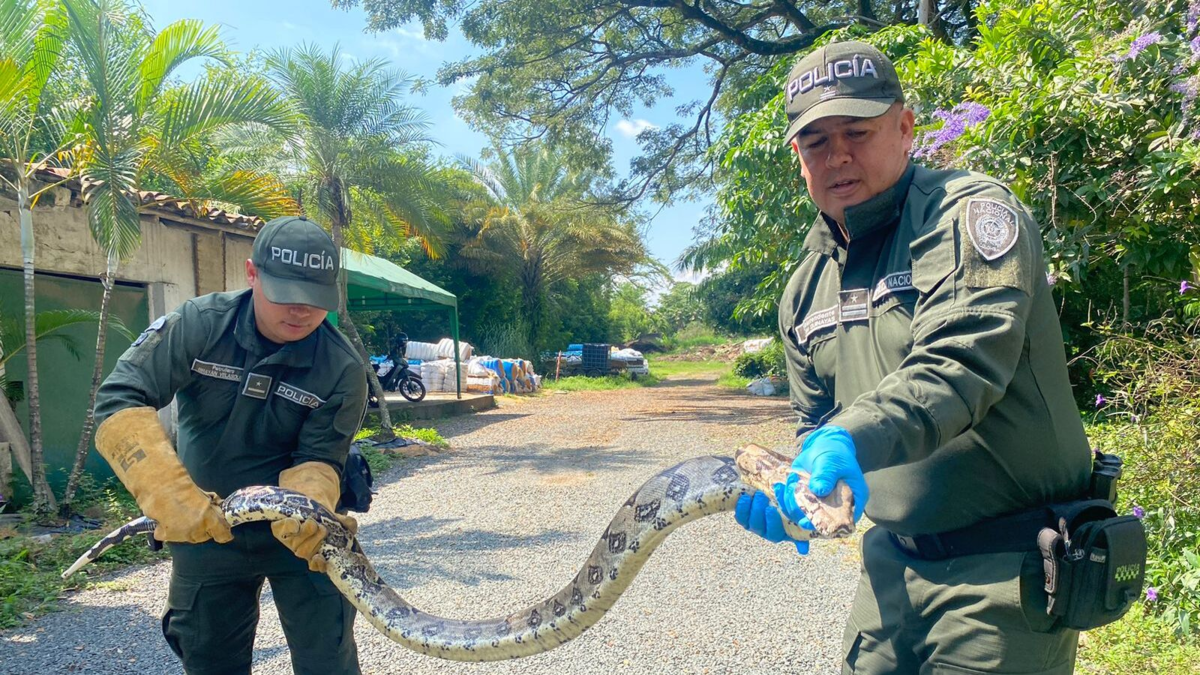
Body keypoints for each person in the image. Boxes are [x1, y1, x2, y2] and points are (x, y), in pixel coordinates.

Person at [733, 41, 1092, 674]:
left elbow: (958, 366)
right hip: (891, 568)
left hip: (1006, 571)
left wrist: (844, 436)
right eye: (815, 141)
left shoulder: (970, 215)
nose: (838, 154)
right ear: (798, 160)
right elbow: (814, 432)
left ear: (904, 128)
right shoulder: (802, 290)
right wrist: (796, 498)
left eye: (857, 131)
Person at [93, 216, 368, 675]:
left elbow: (321, 457)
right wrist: (166, 492)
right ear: (251, 274)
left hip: (299, 537)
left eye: (315, 298)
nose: (300, 310)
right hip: (205, 527)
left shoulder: (342, 368)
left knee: (329, 659)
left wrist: (311, 506)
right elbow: (120, 396)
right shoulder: (200, 325)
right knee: (210, 660)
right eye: (285, 293)